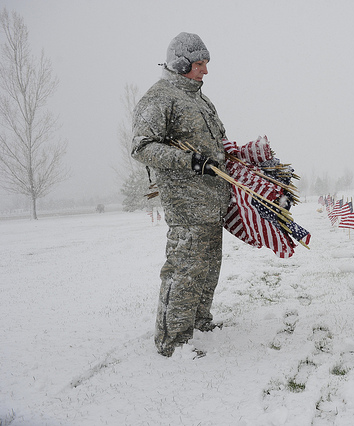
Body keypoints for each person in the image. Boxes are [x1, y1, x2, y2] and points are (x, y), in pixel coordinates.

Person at [131, 32, 231, 357]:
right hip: (186, 205)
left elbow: (218, 143)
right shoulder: (161, 97)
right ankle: (172, 340)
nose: (205, 71)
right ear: (182, 63)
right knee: (185, 271)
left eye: (205, 64)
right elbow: (142, 147)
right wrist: (189, 161)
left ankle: (199, 323)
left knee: (207, 269)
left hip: (211, 203)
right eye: (200, 64)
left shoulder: (200, 99)